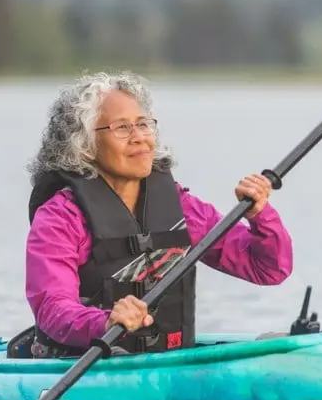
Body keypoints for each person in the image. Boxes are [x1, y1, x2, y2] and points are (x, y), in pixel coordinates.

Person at [21, 71, 293, 359]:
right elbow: (52, 308)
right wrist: (106, 321)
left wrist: (260, 216)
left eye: (143, 125)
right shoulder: (60, 218)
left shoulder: (180, 207)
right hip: (80, 365)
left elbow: (268, 268)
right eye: (122, 128)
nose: (139, 138)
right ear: (85, 144)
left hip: (166, 361)